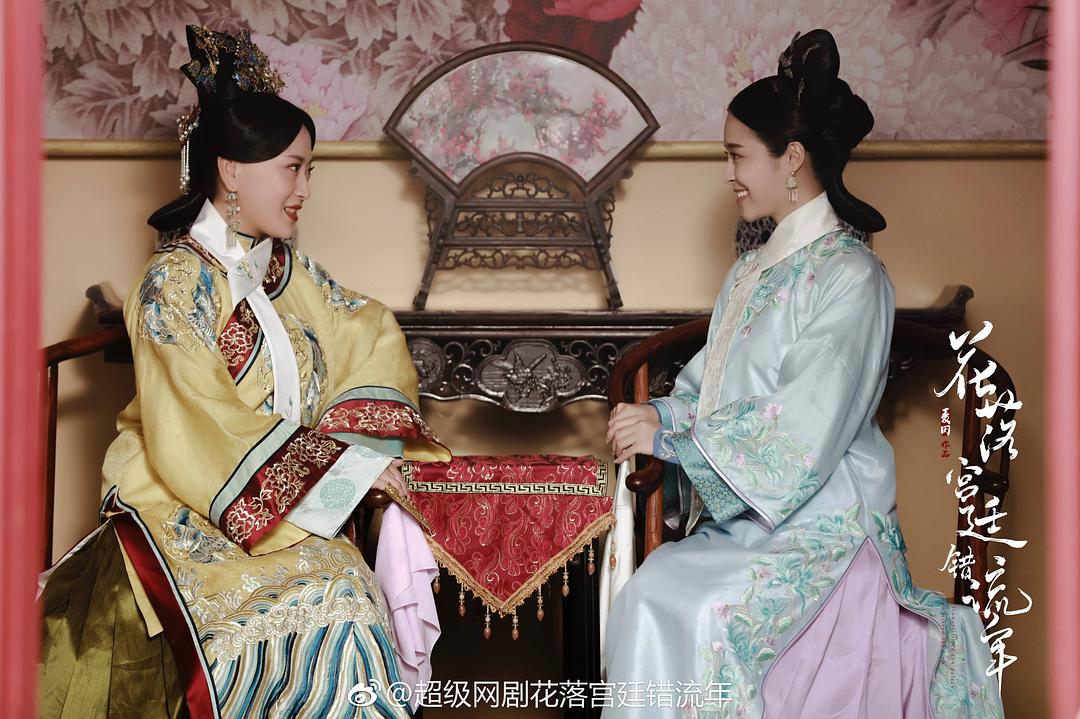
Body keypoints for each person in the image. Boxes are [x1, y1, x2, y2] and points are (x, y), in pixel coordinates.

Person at [38, 26, 449, 719]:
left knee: (347, 591)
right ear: (232, 170)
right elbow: (201, 421)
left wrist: (360, 451)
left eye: (309, 171)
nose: (305, 189)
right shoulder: (172, 284)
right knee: (326, 607)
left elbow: (367, 330)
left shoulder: (287, 272)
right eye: (293, 168)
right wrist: (342, 471)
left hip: (281, 506)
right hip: (182, 503)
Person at [604, 29, 1004, 718]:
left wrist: (671, 441)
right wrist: (660, 415)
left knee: (699, 612)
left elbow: (804, 424)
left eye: (737, 155)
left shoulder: (853, 276)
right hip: (754, 521)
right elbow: (713, 390)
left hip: (826, 527)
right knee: (647, 595)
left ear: (790, 158)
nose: (728, 173)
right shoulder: (749, 273)